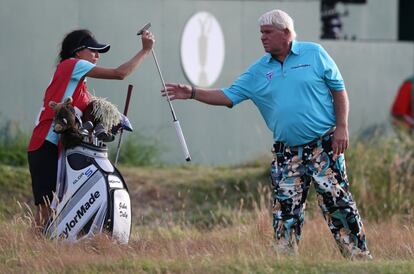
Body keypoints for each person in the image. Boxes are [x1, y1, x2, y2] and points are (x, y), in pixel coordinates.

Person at [163, 9, 372, 259]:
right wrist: (193, 92)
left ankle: (358, 258)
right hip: (288, 154)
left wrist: (342, 127)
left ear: (285, 32)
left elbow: (339, 90)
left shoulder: (314, 54)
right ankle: (285, 261)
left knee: (337, 202)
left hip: (325, 146)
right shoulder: (258, 71)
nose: (262, 37)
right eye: (260, 33)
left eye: (267, 32)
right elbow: (228, 95)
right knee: (285, 210)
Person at [27, 28, 155, 228]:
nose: (97, 56)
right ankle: (33, 250)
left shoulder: (79, 83)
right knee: (46, 209)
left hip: (60, 149)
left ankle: (45, 248)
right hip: (45, 145)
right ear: (78, 52)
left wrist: (113, 120)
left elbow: (91, 109)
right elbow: (120, 74)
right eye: (92, 51)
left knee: (56, 207)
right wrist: (145, 51)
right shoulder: (72, 64)